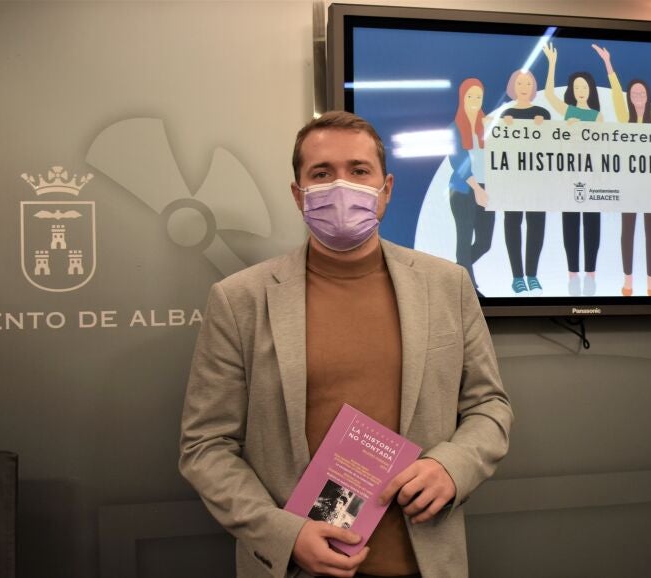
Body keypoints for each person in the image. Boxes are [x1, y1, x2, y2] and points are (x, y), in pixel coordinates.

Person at [179, 111, 513, 578]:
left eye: (359, 170)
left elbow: (489, 406)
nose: (342, 186)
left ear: (386, 188)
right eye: (321, 173)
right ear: (298, 194)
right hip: (298, 567)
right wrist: (283, 535)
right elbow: (206, 446)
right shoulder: (240, 300)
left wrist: (453, 467)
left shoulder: (447, 285)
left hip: (424, 563)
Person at [593, 44, 651, 297]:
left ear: (647, 96)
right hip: (628, 185)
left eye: (642, 92)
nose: (638, 95)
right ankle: (628, 281)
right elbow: (615, 90)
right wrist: (608, 62)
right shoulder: (624, 117)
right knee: (627, 230)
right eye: (634, 92)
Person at [542, 42, 603, 296]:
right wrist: (552, 64)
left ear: (590, 90)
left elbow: (602, 147)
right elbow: (549, 95)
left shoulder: (597, 116)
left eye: (584, 87)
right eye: (576, 87)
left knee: (592, 225)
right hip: (569, 177)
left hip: (592, 178)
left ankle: (591, 275)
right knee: (570, 224)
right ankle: (572, 275)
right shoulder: (568, 111)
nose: (580, 91)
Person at [500, 69, 551, 295]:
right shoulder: (506, 115)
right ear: (513, 86)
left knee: (536, 225)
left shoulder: (543, 113)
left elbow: (552, 147)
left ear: (533, 87)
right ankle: (517, 277)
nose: (523, 87)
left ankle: (532, 274)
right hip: (512, 182)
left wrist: (543, 127)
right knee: (512, 224)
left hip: (537, 183)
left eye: (528, 83)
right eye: (519, 83)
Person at [448, 78, 496, 293]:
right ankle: (470, 289)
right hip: (463, 190)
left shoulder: (487, 126)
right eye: (470, 96)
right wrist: (477, 189)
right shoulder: (454, 128)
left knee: (485, 243)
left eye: (479, 96)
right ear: (463, 98)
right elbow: (458, 162)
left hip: (486, 190)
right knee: (464, 240)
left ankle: (451, 274)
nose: (475, 100)